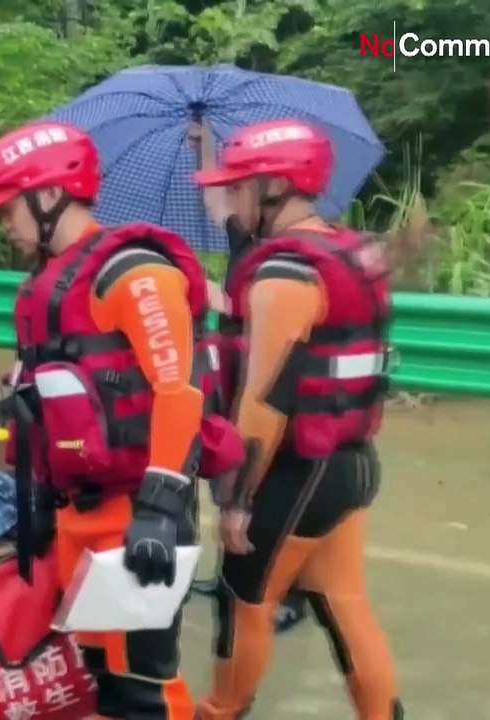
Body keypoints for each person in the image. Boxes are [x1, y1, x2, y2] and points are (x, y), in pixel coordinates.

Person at [0, 121, 241, 720]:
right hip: (74, 515)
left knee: (144, 687)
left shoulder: (134, 275)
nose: (2, 223)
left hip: (136, 512)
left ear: (48, 194)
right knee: (100, 683)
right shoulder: (46, 282)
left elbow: (178, 392)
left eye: (7, 208)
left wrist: (162, 510)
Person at [192, 118, 401, 719]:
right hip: (348, 461)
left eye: (239, 187)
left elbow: (264, 400)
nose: (231, 198)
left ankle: (219, 711)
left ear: (275, 187)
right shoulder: (346, 251)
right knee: (343, 602)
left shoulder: (284, 273)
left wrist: (238, 498)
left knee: (243, 598)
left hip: (294, 470)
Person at [189, 118, 311, 634]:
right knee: (229, 480)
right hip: (234, 376)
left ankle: (289, 594)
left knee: (271, 486)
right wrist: (206, 149)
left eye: (244, 186)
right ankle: (230, 575)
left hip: (271, 380)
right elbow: (215, 201)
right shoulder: (247, 240)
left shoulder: (288, 257)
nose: (234, 197)